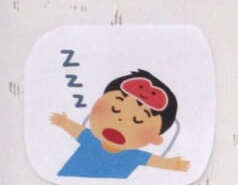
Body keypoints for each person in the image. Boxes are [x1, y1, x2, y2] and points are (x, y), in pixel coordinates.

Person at [52, 69, 188, 178]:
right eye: (115, 109)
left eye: (137, 120)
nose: (120, 120)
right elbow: (75, 129)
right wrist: (63, 122)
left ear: (155, 139)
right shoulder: (90, 139)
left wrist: (172, 164)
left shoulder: (134, 156)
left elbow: (158, 162)